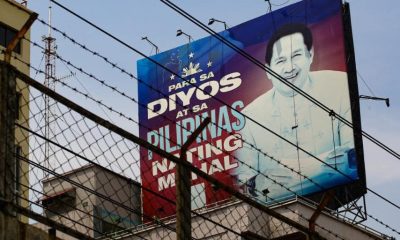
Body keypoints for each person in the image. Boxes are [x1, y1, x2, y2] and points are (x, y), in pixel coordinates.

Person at [235, 23, 357, 202]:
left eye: (297, 55)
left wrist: (279, 179)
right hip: (273, 210)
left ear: (311, 55)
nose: (289, 68)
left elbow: (351, 160)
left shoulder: (339, 86)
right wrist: (257, 182)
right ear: (268, 70)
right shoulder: (249, 117)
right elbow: (244, 184)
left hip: (315, 197)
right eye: (280, 61)